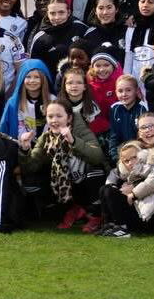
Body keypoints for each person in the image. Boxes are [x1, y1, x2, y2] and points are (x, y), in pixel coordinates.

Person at [18, 98, 106, 233]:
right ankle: (72, 209)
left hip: (87, 180)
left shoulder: (80, 130)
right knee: (33, 182)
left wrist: (73, 140)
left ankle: (95, 215)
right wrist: (24, 150)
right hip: (67, 183)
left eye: (59, 116)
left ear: (69, 118)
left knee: (95, 170)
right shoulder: (46, 137)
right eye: (50, 116)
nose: (54, 120)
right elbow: (31, 167)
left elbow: (97, 156)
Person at [0, 59, 54, 140]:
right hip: (22, 145)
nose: (32, 81)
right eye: (28, 77)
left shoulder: (53, 100)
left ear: (43, 79)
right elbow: (4, 129)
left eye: (37, 77)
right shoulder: (15, 102)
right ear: (22, 78)